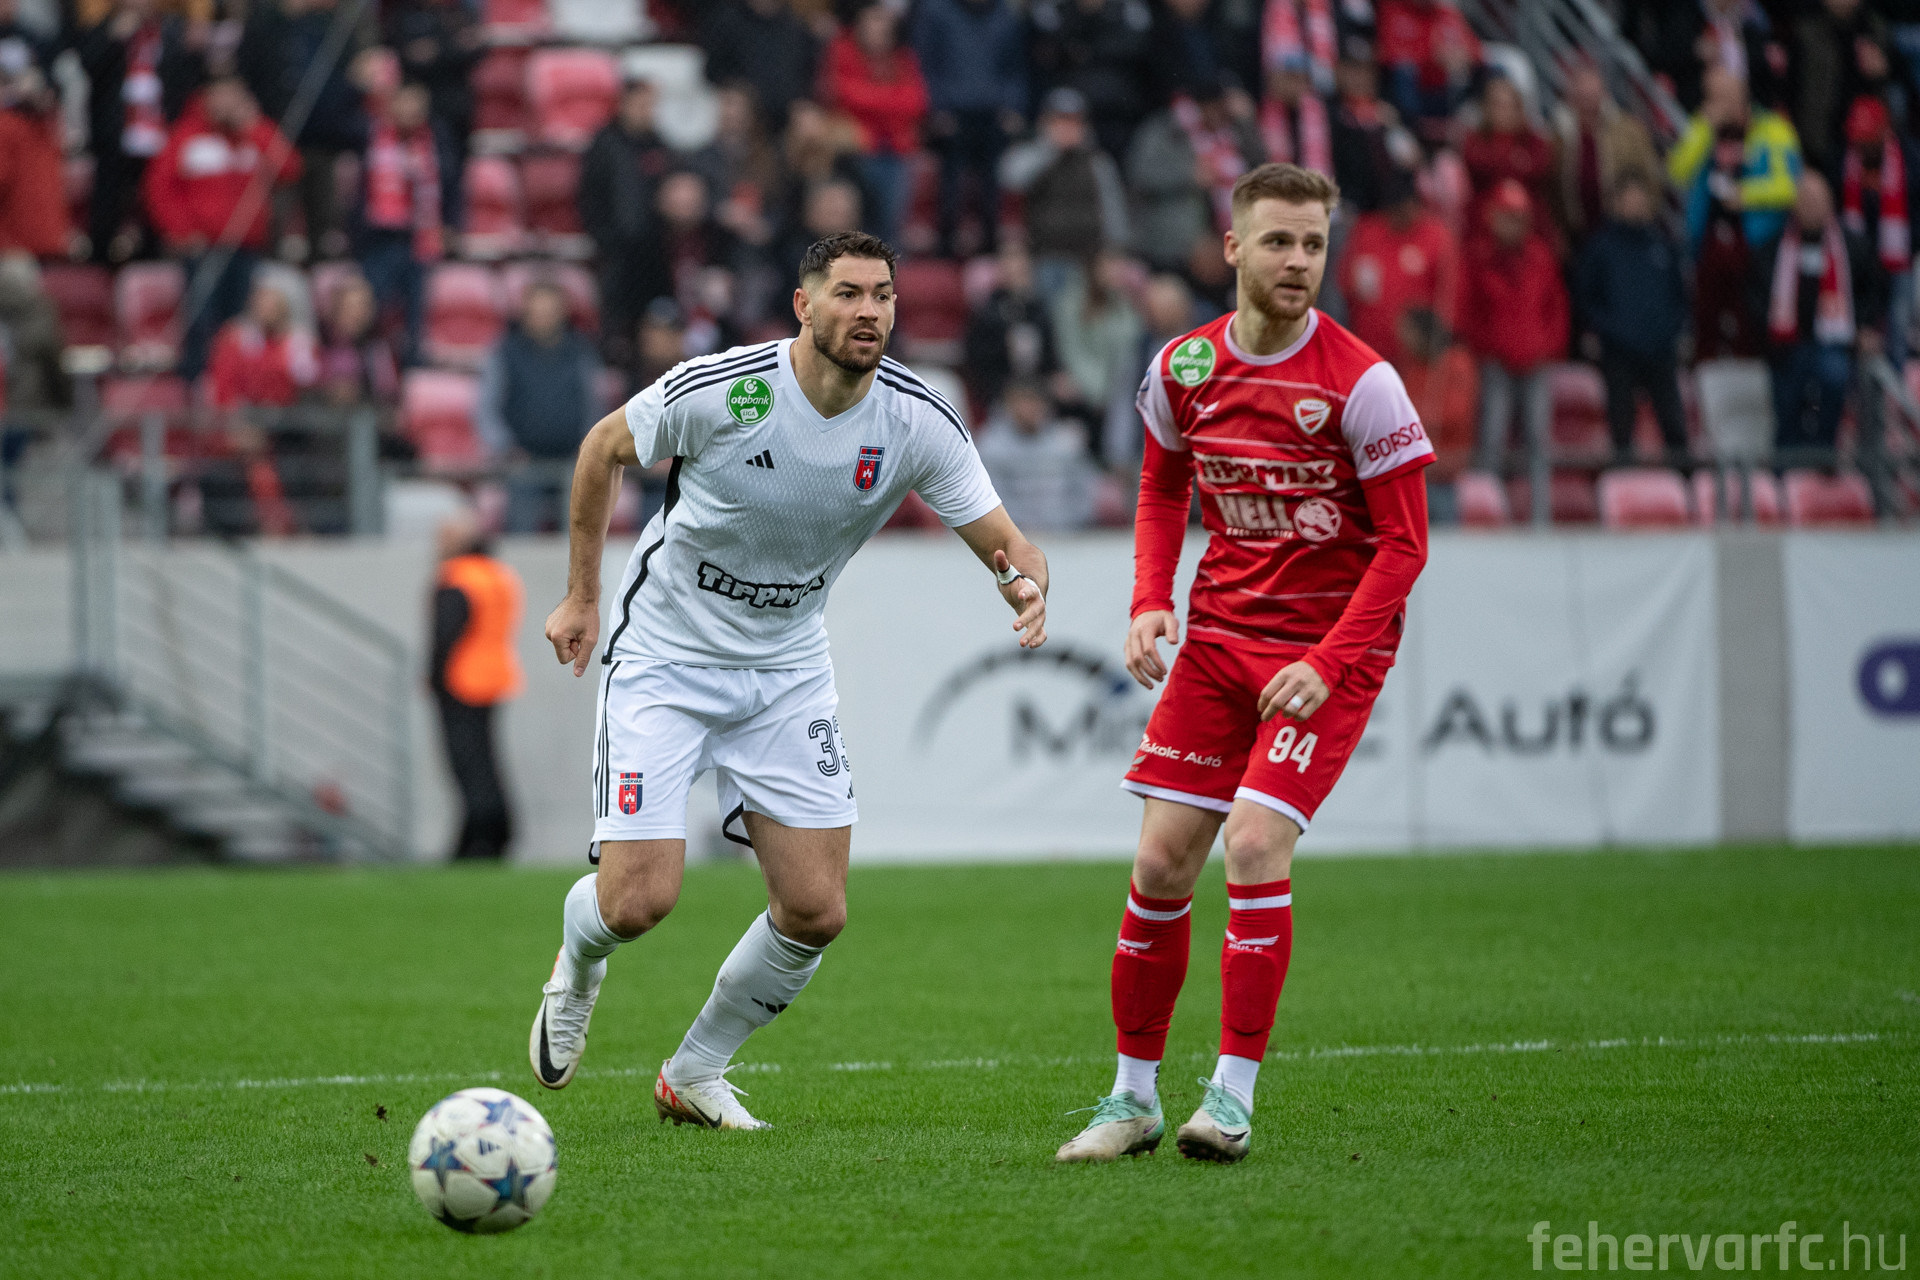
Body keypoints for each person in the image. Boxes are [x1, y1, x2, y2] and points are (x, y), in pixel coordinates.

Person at [527, 230, 1051, 1130]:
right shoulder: (729, 389)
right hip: (666, 658)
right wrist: (581, 596)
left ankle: (695, 1071)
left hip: (785, 670)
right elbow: (602, 447)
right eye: (848, 294)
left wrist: (1026, 583)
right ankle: (577, 966)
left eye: (883, 295)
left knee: (815, 909)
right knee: (637, 902)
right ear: (804, 306)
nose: (869, 311)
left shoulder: (916, 419)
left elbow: (1008, 541)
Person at [1054, 163, 1432, 1166]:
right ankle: (1132, 1098)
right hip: (1219, 645)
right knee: (1159, 864)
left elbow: (1405, 547)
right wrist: (1149, 598)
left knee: (1255, 842)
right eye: (1278, 240)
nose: (1298, 260)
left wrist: (1330, 660)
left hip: (1325, 653)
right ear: (1232, 247)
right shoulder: (1184, 366)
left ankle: (1230, 1095)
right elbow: (1161, 489)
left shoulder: (1363, 383)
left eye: (1313, 243)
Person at [142, 77, 302, 382]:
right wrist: (180, 231)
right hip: (202, 248)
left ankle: (234, 387)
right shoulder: (186, 135)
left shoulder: (255, 135)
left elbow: (290, 169)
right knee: (201, 322)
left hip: (246, 247)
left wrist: (255, 127)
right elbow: (159, 189)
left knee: (241, 325)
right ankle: (198, 389)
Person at [1669, 67, 1802, 359]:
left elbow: (1790, 187)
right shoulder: (1703, 127)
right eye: (1712, 97)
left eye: (1724, 96)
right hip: (1710, 239)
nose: (1718, 103)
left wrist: (1746, 195)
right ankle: (1703, 373)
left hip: (1757, 242)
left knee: (1748, 318)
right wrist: (1704, 127)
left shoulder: (1774, 130)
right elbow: (1677, 171)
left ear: (1742, 94)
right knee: (1705, 314)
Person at [1753, 170, 1885, 463]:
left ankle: (1824, 455)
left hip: (1834, 342)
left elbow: (1872, 291)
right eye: (1805, 200)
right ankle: (1786, 462)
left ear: (1829, 204)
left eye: (1816, 200)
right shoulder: (1773, 248)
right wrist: (1768, 328)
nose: (1810, 206)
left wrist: (1864, 327)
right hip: (1787, 345)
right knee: (1786, 400)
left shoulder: (1853, 246)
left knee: (1834, 377)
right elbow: (1756, 294)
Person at [1460, 179, 1568, 518]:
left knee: (1539, 441)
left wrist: (1548, 347)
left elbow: (1556, 308)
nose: (1512, 225)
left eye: (1518, 217)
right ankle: (1488, 515)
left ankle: (1540, 517)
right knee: (1491, 439)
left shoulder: (1540, 255)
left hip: (1536, 363)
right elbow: (1469, 312)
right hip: (1496, 363)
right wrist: (1489, 348)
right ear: (1493, 217)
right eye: (1507, 216)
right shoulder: (1479, 257)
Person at [75, 0, 206, 263]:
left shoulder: (174, 30)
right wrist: (114, 37)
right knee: (109, 199)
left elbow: (187, 78)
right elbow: (89, 67)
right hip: (117, 133)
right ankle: (101, 259)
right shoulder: (106, 28)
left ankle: (152, 257)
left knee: (154, 200)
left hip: (160, 133)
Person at [1576, 170, 1689, 468]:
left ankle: (1687, 488)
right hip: (1619, 353)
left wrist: (1671, 330)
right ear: (1616, 203)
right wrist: (1609, 329)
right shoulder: (1601, 247)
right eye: (1630, 198)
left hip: (1660, 351)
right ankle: (1621, 485)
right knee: (1621, 427)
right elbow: (1586, 297)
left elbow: (1679, 295)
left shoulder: (1662, 244)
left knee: (1674, 425)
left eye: (1642, 198)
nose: (1637, 204)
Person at [429, 510, 524, 862]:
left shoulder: (457, 576)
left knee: (467, 765)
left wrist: (434, 678)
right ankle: (499, 833)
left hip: (461, 681)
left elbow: (445, 634)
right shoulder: (497, 574)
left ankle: (480, 839)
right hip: (495, 676)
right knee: (487, 761)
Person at [475, 280, 602, 534]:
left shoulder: (580, 352)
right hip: (523, 461)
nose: (544, 316)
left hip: (571, 459)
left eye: (550, 310)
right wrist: (507, 449)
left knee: (581, 527)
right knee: (522, 530)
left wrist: (587, 448)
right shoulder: (505, 352)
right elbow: (486, 409)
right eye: (538, 310)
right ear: (525, 312)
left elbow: (594, 405)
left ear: (563, 312)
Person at [912, 0, 1026, 257]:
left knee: (991, 184)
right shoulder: (936, 11)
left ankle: (990, 247)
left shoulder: (1005, 14)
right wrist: (937, 108)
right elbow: (925, 62)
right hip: (952, 112)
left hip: (993, 112)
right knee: (951, 181)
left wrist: (1013, 106)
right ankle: (946, 246)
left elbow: (1015, 66)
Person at [580, 77, 675, 366]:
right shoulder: (604, 144)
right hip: (616, 255)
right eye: (640, 104)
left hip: (653, 253)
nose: (646, 111)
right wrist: (604, 238)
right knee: (618, 330)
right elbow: (589, 196)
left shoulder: (659, 145)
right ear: (623, 104)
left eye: (650, 105)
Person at [818, 1, 928, 251]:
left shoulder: (903, 58)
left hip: (896, 151)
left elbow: (916, 101)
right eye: (872, 20)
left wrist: (871, 100)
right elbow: (842, 93)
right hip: (855, 151)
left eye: (883, 21)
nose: (878, 28)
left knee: (890, 228)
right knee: (858, 225)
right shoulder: (842, 49)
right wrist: (890, 100)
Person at [1000, 87, 1129, 291]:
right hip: (1041, 258)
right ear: (1045, 122)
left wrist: (1114, 253)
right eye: (1060, 120)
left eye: (1074, 121)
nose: (1067, 128)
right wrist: (1049, 149)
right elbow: (1012, 182)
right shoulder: (1028, 157)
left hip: (1091, 259)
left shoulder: (1097, 162)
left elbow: (1114, 214)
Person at [1336, 162, 1459, 369]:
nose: (1398, 214)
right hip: (1370, 350)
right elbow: (1345, 283)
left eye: (1404, 206)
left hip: (1418, 358)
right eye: (1393, 207)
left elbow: (1450, 296)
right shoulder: (1367, 232)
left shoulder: (1436, 237)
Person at [355, 81, 442, 367]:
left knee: (416, 319)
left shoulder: (436, 141)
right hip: (379, 239)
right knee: (370, 309)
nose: (410, 110)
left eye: (417, 104)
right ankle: (365, 369)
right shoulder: (370, 136)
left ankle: (411, 374)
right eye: (404, 102)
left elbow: (451, 186)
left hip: (420, 239)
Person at [1836, 96, 1918, 371]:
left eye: (1868, 139)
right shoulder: (1844, 162)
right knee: (1858, 326)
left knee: (1898, 322)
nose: (1862, 145)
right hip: (1857, 261)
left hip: (1899, 260)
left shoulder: (1910, 159)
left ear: (1883, 131)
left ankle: (1897, 383)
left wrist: (1909, 245)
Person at [1549, 60, 1660, 251]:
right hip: (1576, 233)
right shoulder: (1558, 136)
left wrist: (1642, 213)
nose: (1587, 102)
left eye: (1591, 95)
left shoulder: (1629, 132)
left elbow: (1651, 177)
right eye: (1582, 96)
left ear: (1603, 94)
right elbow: (1551, 187)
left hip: (1622, 232)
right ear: (1571, 97)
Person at [977, 378, 1098, 529]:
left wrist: (1062, 526)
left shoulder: (1067, 443)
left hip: (1068, 533)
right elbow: (989, 503)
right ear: (1008, 406)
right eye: (1022, 402)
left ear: (1045, 405)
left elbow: (1086, 495)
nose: (1028, 409)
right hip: (1011, 536)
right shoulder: (991, 447)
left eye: (1034, 401)